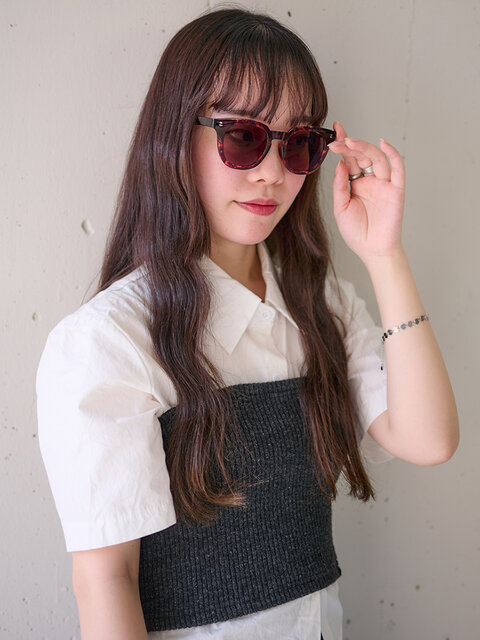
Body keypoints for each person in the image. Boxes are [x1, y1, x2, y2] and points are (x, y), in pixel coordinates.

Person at [35, 7, 459, 640]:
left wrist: (383, 255)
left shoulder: (320, 304)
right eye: (242, 137)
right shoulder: (108, 340)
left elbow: (428, 440)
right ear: (176, 135)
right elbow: (105, 581)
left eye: (299, 144)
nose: (272, 172)